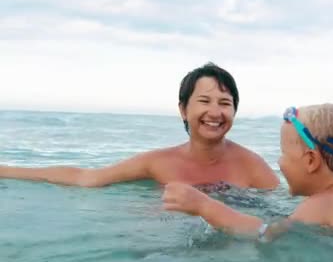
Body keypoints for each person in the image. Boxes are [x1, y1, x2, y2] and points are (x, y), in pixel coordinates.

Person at [0, 63, 279, 190]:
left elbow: (288, 219)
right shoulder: (158, 163)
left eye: (225, 103)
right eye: (204, 100)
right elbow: (86, 178)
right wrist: (7, 171)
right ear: (183, 109)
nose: (215, 112)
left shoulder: (252, 166)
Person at [161, 103, 333, 241]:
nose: (279, 162)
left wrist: (204, 206)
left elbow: (264, 235)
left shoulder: (319, 206)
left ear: (311, 160)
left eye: (284, 153)